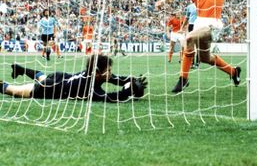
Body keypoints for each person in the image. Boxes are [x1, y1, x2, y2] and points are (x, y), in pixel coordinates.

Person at [0, 54, 147, 102]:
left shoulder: (94, 74)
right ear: (98, 72)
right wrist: (129, 91)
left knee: (43, 77)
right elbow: (109, 97)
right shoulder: (88, 87)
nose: (110, 73)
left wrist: (133, 81)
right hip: (51, 89)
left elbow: (118, 79)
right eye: (108, 70)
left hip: (60, 78)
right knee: (14, 90)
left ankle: (21, 69)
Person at [185, 3, 199, 69]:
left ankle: (197, 63)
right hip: (191, 25)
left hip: (199, 25)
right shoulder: (189, 6)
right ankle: (192, 63)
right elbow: (187, 17)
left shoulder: (202, 5)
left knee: (198, 44)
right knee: (191, 45)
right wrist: (182, 26)